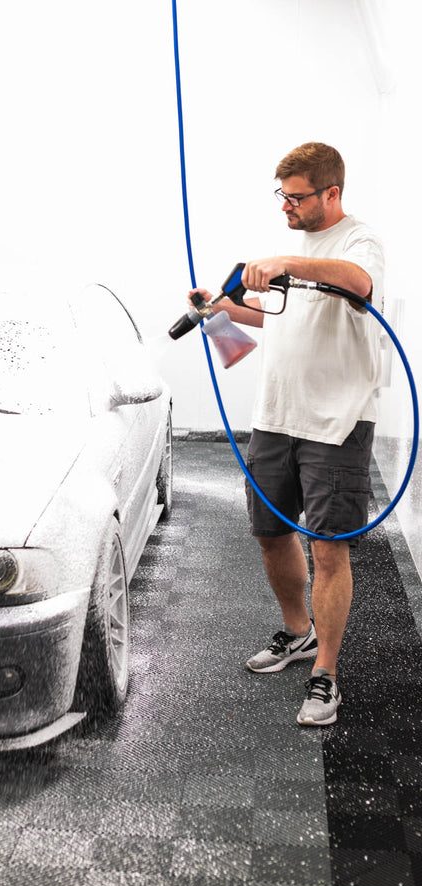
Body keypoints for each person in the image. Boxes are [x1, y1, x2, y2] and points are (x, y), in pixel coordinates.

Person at [189, 142, 384, 726]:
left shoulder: (358, 240)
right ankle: (298, 633)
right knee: (271, 534)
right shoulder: (294, 246)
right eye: (282, 196)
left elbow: (358, 282)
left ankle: (326, 673)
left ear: (332, 193)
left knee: (329, 547)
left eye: (296, 198)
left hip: (335, 422)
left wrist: (287, 263)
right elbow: (274, 315)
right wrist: (221, 307)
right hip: (275, 417)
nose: (286, 208)